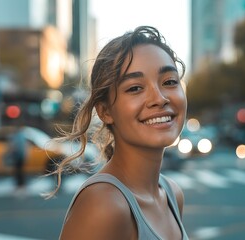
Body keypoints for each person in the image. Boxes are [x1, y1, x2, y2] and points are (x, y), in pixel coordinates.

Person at [51, 26, 189, 240]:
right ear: (105, 111)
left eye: (169, 82)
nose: (159, 98)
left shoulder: (172, 194)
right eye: (135, 88)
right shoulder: (103, 204)